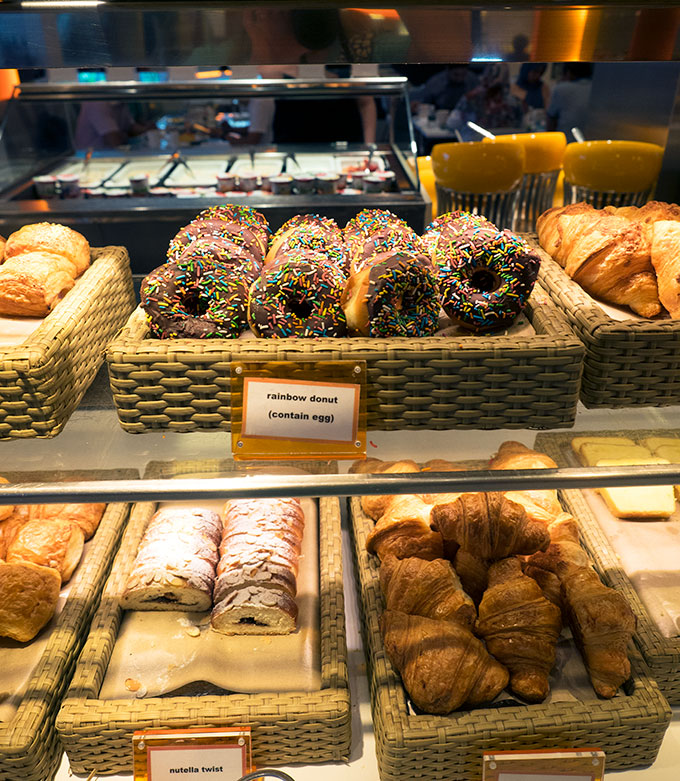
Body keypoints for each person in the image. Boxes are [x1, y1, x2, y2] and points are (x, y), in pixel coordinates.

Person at [74, 101, 152, 150]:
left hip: (112, 155)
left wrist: (148, 129)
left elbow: (130, 127)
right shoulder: (97, 103)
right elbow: (113, 141)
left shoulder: (120, 101)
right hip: (94, 157)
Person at [546, 62, 593, 139]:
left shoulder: (561, 89)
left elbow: (551, 120)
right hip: (592, 142)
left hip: (566, 142)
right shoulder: (597, 88)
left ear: (568, 72)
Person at [410, 64, 479, 113]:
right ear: (448, 70)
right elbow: (423, 100)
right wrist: (417, 104)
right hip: (440, 117)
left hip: (466, 116)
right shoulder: (436, 82)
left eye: (463, 75)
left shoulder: (472, 79)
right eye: (456, 75)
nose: (459, 79)